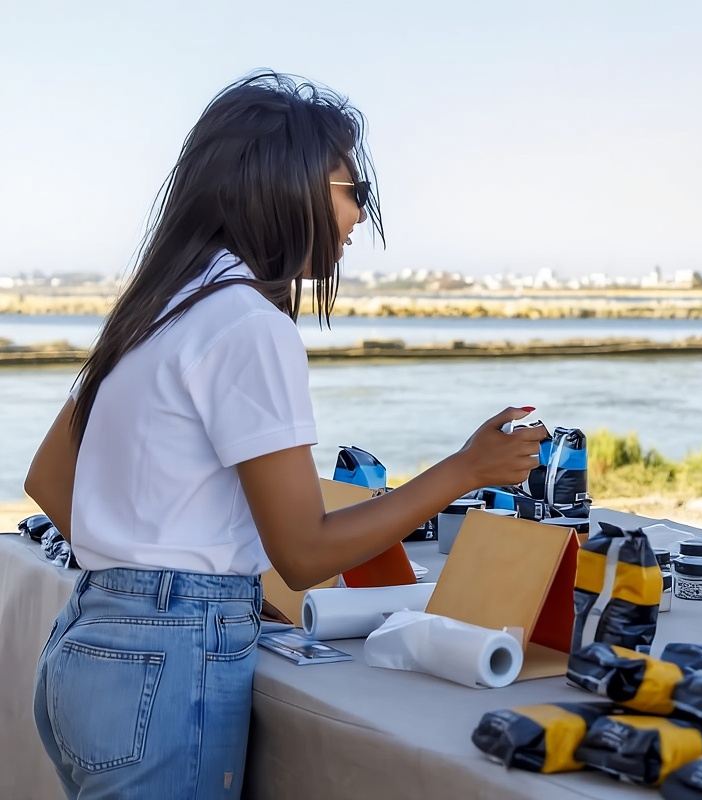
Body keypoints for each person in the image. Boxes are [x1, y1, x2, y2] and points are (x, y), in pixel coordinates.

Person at [23, 72, 544, 798]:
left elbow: (47, 481)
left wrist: (157, 574)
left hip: (90, 646)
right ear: (284, 185)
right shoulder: (248, 325)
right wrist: (465, 470)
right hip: (167, 669)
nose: (360, 214)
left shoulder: (159, 303)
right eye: (349, 189)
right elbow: (303, 555)